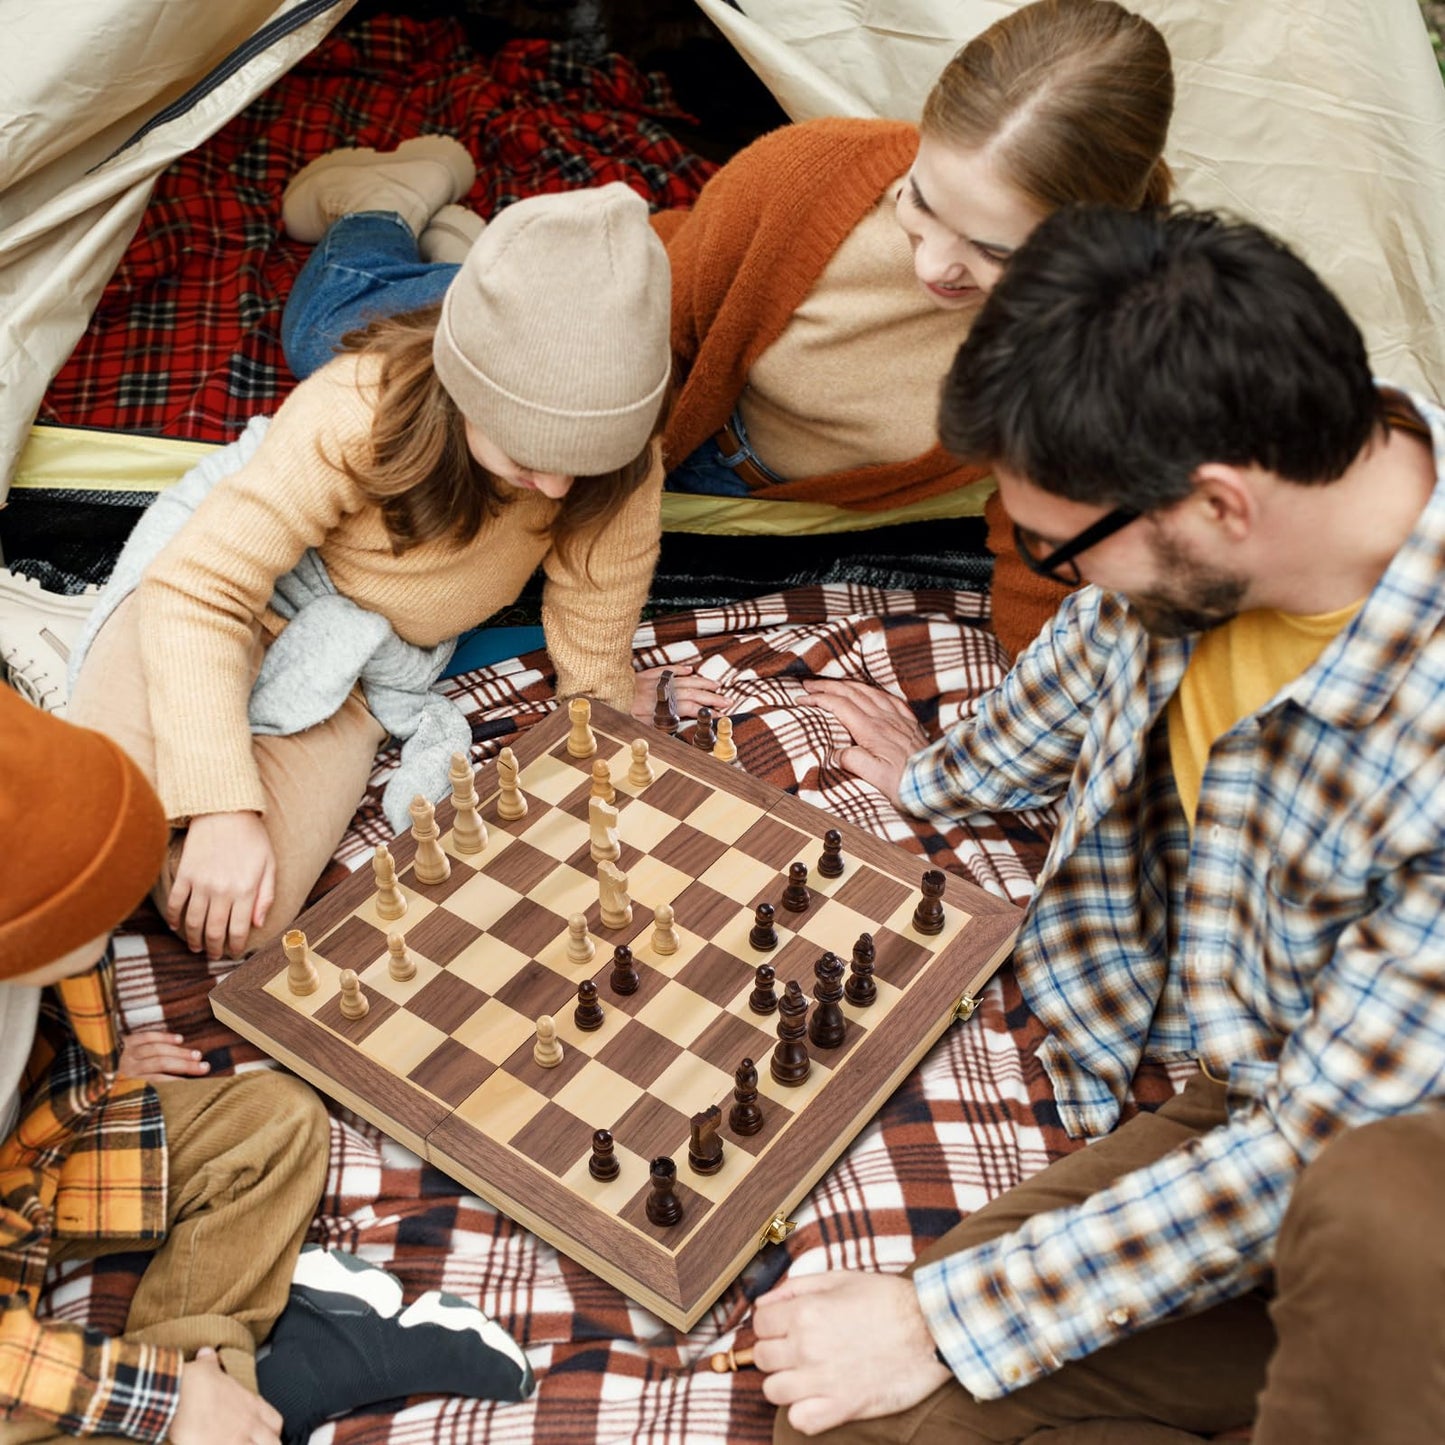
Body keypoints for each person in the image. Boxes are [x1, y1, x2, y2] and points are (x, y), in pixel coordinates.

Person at [758, 205, 1445, 1444]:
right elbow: (1099, 649)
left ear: (1220, 506)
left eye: (1056, 545)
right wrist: (935, 774)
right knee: (847, 1417)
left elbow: (1315, 1152)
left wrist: (939, 1314)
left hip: (1379, 1184)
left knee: (910, 1367)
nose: (1050, 572)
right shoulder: (1302, 443)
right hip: (1244, 1104)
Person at [65, 154, 688, 965]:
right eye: (530, 454)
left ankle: (454, 254)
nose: (558, 484)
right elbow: (204, 586)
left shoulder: (623, 467)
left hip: (361, 660)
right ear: (465, 387)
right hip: (225, 592)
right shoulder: (356, 407)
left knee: (234, 918)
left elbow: (594, 621)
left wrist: (600, 739)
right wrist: (222, 806)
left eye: (587, 462)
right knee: (91, 837)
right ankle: (384, 206)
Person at [653, 0, 1174, 661]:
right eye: (921, 201)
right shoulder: (805, 173)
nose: (933, 264)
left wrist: (1021, 726)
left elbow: (1044, 560)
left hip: (794, 516)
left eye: (995, 251)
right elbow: (633, 359)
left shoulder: (1089, 343)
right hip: (644, 405)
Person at [0, 683, 328, 1444]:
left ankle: (204, 1377)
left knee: (272, 1124)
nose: (119, 903)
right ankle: (181, 1408)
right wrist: (159, 1398)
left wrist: (85, 1076)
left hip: (28, 1163)